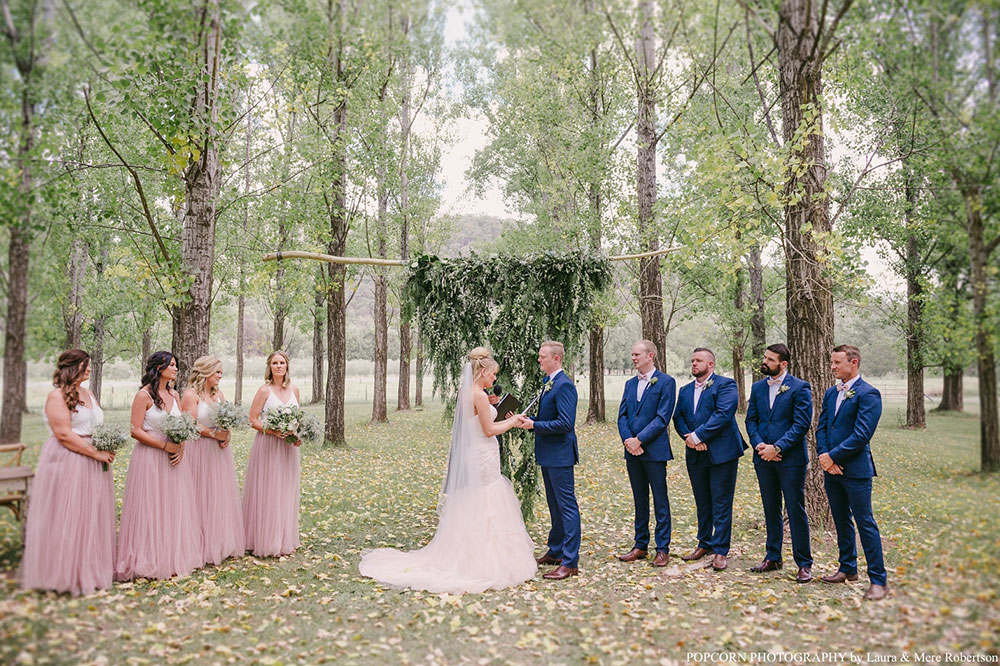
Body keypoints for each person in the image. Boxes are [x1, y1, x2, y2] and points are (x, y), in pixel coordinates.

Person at [359, 347, 536, 593]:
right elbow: (489, 430)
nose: (495, 379)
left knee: (476, 500)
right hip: (484, 452)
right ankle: (485, 562)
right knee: (488, 500)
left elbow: (477, 419)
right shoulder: (480, 396)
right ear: (483, 371)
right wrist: (515, 421)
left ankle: (466, 553)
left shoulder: (467, 391)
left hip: (473, 452)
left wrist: (493, 406)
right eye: (493, 374)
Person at [22, 349, 116, 595]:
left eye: (89, 365)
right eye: (84, 365)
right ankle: (63, 574)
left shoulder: (88, 393)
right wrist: (95, 452)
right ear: (71, 367)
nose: (89, 369)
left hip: (93, 459)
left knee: (88, 515)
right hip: (68, 459)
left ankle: (88, 569)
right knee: (67, 515)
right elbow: (63, 434)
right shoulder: (57, 396)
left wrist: (104, 446)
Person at [117, 351, 202, 581]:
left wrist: (180, 446)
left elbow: (183, 424)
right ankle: (148, 559)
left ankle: (171, 557)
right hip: (150, 457)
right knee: (150, 505)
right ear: (158, 368)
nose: (175, 368)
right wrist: (164, 447)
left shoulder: (174, 395)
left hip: (173, 459)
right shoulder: (143, 396)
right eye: (171, 365)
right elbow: (135, 430)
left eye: (176, 364)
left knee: (172, 505)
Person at [817, 345, 888, 601]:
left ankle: (879, 580)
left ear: (853, 363)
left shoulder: (869, 394)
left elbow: (862, 435)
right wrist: (824, 457)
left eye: (837, 362)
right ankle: (848, 568)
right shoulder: (830, 393)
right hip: (831, 469)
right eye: (832, 362)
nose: (833, 367)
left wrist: (832, 456)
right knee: (840, 520)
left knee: (865, 522)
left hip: (856, 470)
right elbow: (822, 426)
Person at [672, 348, 746, 571]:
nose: (694, 363)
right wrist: (689, 437)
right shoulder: (684, 390)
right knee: (702, 500)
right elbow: (678, 417)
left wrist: (698, 435)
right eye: (692, 360)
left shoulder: (726, 385)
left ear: (711, 364)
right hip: (695, 452)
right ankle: (704, 543)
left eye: (699, 360)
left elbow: (722, 415)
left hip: (722, 452)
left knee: (721, 501)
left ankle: (721, 550)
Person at [745, 343, 814, 582]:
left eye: (770, 359)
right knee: (770, 508)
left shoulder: (800, 388)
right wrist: (760, 446)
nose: (765, 362)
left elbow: (801, 424)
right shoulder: (757, 388)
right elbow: (751, 419)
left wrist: (778, 447)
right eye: (765, 357)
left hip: (790, 460)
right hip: (763, 457)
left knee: (795, 509)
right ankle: (773, 557)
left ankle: (804, 563)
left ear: (783, 364)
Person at [518, 340, 581, 580]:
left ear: (556, 358)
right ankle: (555, 551)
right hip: (548, 453)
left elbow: (566, 423)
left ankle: (570, 561)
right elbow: (549, 417)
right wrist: (529, 421)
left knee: (566, 506)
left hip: (561, 455)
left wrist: (535, 424)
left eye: (543, 356)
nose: (539, 359)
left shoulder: (564, 385)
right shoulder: (548, 383)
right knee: (555, 505)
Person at [616, 340, 677, 567]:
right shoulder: (630, 384)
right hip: (632, 451)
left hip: (655, 450)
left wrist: (640, 439)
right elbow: (622, 415)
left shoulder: (666, 382)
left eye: (637, 354)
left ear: (650, 356)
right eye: (632, 355)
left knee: (660, 500)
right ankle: (640, 545)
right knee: (639, 499)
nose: (633, 358)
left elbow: (663, 418)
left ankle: (662, 549)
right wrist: (628, 441)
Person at [181, 355, 244, 565]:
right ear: (206, 372)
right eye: (217, 372)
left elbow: (227, 420)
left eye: (220, 372)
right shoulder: (191, 395)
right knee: (200, 494)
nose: (220, 376)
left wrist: (227, 433)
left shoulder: (219, 395)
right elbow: (190, 424)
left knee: (218, 495)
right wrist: (213, 434)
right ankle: (198, 544)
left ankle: (219, 542)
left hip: (218, 452)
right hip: (198, 449)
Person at [243, 351, 302, 557]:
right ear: (270, 367)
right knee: (269, 489)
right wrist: (273, 430)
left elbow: (298, 418)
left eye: (282, 363)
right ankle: (266, 539)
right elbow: (252, 419)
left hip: (288, 447)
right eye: (275, 363)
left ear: (287, 366)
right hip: (268, 444)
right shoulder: (264, 391)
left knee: (286, 488)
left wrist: (297, 434)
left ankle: (285, 537)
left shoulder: (294, 389)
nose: (279, 366)